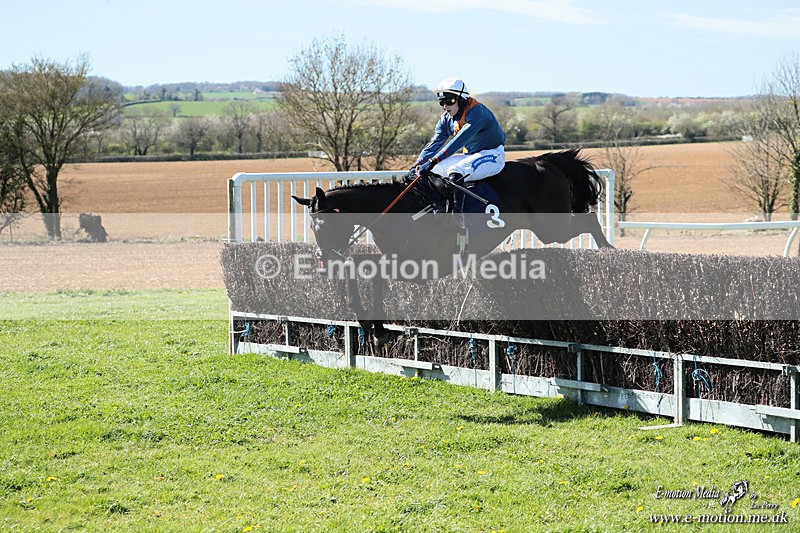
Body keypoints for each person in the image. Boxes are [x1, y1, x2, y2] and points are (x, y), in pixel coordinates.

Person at [409, 77, 506, 187]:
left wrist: (433, 161)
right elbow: (434, 144)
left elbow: (458, 141)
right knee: (433, 171)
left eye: (449, 101)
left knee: (455, 172)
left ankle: (459, 200)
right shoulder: (446, 119)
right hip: (469, 156)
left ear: (461, 99)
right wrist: (418, 164)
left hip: (493, 155)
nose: (445, 106)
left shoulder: (477, 112)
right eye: (441, 102)